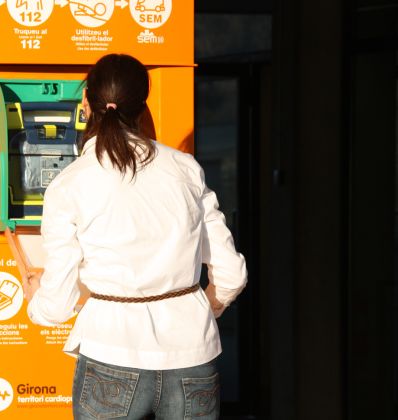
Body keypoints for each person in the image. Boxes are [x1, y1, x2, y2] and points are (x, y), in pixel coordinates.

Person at [22, 54, 247, 420]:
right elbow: (232, 275)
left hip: (111, 351)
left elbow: (57, 305)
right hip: (192, 353)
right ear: (143, 105)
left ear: (86, 105)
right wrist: (201, 309)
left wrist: (37, 302)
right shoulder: (185, 168)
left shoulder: (69, 183)